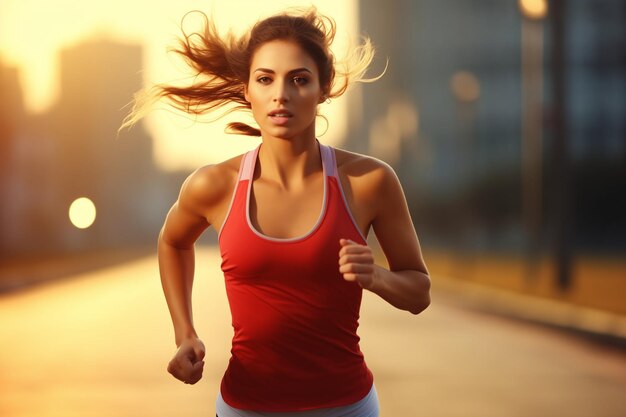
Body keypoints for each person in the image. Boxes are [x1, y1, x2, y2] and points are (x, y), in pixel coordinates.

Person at [123, 7, 430, 417]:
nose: (280, 94)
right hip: (244, 408)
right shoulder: (214, 186)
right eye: (265, 79)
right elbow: (173, 241)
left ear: (324, 88)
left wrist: (376, 276)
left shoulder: (370, 181)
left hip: (347, 408)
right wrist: (185, 333)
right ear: (247, 89)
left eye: (299, 79)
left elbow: (419, 293)